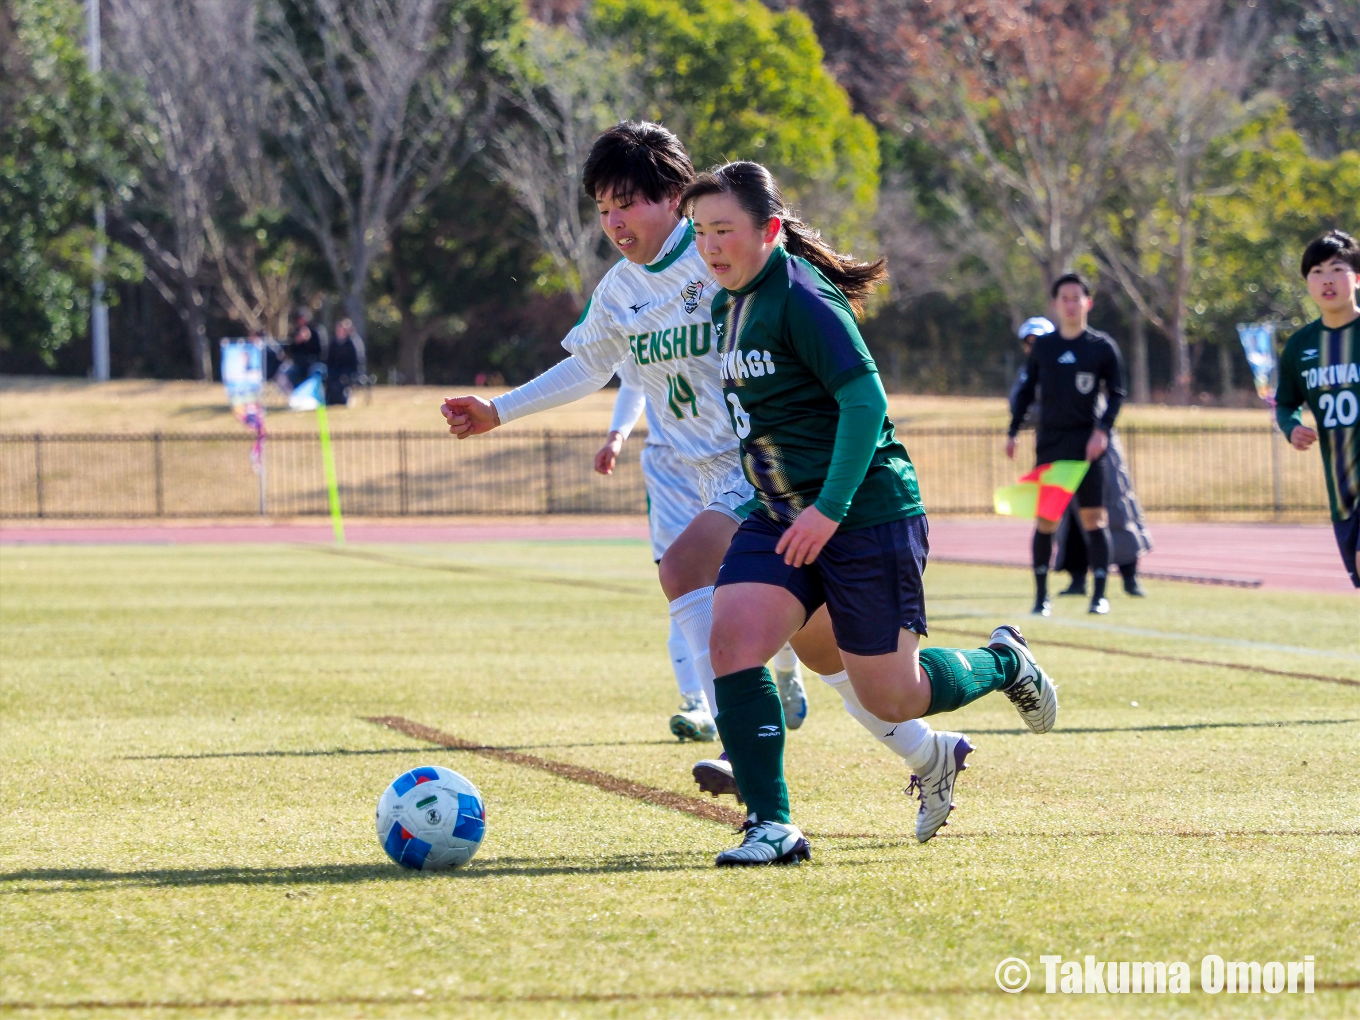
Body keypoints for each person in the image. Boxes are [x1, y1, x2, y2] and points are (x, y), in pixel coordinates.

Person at [685, 162, 1058, 867]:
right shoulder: (723, 306)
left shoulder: (800, 295)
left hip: (863, 515)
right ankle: (772, 825)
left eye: (724, 230)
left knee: (893, 696)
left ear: (769, 230)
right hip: (781, 518)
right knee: (732, 642)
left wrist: (829, 508)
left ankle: (1005, 661)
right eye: (700, 232)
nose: (711, 246)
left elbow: (866, 402)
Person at [441, 122, 753, 744]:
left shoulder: (720, 256)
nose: (613, 222)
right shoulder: (619, 290)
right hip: (697, 472)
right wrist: (498, 410)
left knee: (833, 644)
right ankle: (746, 746)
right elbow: (590, 364)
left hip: (765, 465)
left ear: (673, 196)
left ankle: (760, 744)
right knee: (703, 584)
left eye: (626, 203)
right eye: (603, 208)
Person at [595, 365, 809, 742]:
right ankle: (699, 703)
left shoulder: (724, 308)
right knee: (683, 583)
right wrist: (617, 434)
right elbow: (629, 375)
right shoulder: (634, 307)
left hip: (733, 458)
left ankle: (788, 669)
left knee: (766, 579)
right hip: (670, 467)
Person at [1007, 274, 1126, 616]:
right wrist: (1013, 431)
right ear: (1056, 304)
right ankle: (1041, 597)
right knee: (1046, 521)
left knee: (1094, 519)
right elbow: (1026, 393)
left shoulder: (1101, 346)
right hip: (1051, 445)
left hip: (1087, 446)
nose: (1071, 303)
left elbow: (1117, 393)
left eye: (1077, 297)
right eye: (1065, 298)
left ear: (1087, 303)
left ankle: (1099, 595)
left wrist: (1103, 430)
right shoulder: (1044, 348)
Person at [1275, 229, 1360, 589]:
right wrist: (1292, 427)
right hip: (1343, 491)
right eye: (1316, 271)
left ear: (1356, 277)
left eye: (1337, 269)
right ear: (1307, 283)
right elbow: (1285, 402)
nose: (1327, 279)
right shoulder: (1300, 347)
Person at [326, 318, 366, 406]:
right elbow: (330, 360)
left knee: (342, 381)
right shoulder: (334, 343)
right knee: (331, 379)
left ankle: (345, 398)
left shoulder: (353, 343)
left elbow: (357, 361)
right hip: (336, 370)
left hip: (350, 370)